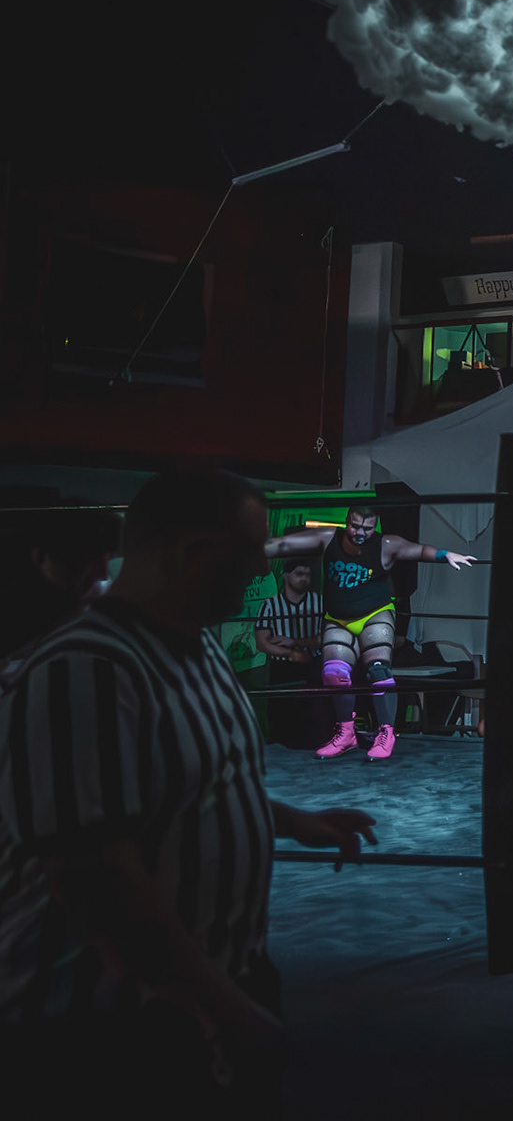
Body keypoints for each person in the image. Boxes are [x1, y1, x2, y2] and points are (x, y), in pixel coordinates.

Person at [0, 469, 375, 1114]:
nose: (259, 568)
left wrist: (290, 820)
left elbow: (188, 783)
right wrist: (222, 1007)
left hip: (209, 980)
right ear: (193, 552)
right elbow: (93, 874)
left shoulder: (195, 643)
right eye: (250, 550)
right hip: (109, 1023)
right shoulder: (84, 668)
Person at [262, 507, 477, 762]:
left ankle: (386, 733)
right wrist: (250, 547)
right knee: (334, 673)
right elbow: (285, 544)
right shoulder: (328, 538)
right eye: (355, 526)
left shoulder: (386, 545)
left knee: (378, 671)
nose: (360, 533)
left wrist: (445, 555)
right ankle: (346, 733)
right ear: (346, 522)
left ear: (374, 527)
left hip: (374, 615)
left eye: (367, 528)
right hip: (338, 618)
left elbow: (418, 550)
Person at [0, 505, 119, 662]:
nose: (102, 574)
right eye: (87, 560)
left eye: (108, 558)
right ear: (40, 556)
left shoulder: (99, 595)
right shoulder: (13, 606)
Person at [253, 559, 323, 685]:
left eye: (307, 574)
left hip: (315, 663)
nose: (304, 578)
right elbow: (261, 643)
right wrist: (292, 654)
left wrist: (294, 642)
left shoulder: (320, 602)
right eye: (299, 574)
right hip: (281, 668)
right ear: (285, 576)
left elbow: (326, 637)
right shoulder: (269, 605)